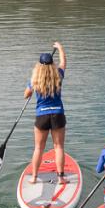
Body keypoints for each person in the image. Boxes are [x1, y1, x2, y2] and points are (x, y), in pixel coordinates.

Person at [24, 41, 67, 184]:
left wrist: (30, 92)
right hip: (58, 114)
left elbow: (26, 94)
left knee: (38, 148)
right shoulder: (59, 75)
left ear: (39, 65)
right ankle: (61, 177)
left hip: (41, 115)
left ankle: (34, 177)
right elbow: (63, 62)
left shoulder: (34, 79)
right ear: (52, 64)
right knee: (59, 147)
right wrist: (60, 48)